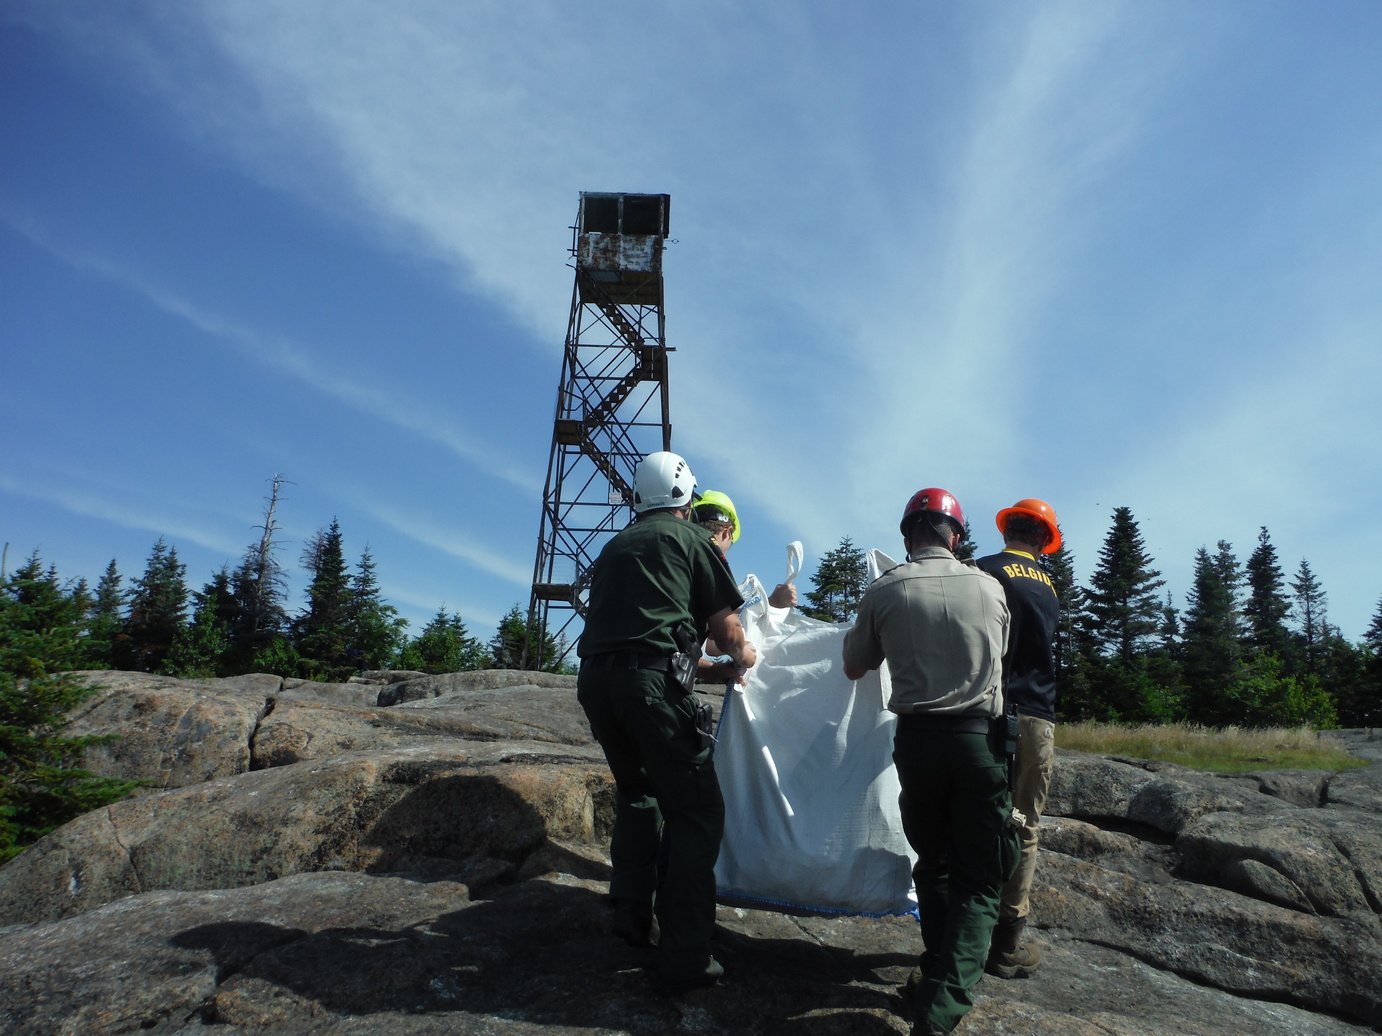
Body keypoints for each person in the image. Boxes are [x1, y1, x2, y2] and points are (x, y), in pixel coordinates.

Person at [577, 451, 758, 995]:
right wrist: (744, 656)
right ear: (686, 497)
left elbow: (640, 635)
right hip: (649, 691)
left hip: (596, 684)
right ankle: (685, 957)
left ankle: (630, 915)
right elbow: (726, 631)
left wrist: (711, 673)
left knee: (638, 792)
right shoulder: (692, 542)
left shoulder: (616, 546)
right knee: (697, 811)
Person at [841, 488, 1013, 1036]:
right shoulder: (991, 588)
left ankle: (936, 972)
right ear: (955, 534)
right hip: (978, 742)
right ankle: (939, 1012)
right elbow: (1000, 656)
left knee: (934, 864)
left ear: (907, 533)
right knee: (982, 881)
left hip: (916, 744)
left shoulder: (886, 588)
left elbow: (854, 665)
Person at [976, 498, 1062, 979]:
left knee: (974, 816)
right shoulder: (1051, 585)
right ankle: (1006, 943)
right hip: (1035, 718)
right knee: (1023, 823)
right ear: (1044, 540)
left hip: (984, 712)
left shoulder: (983, 570)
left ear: (1007, 528)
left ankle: (960, 931)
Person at [690, 490, 796, 684]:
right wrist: (743, 654)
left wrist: (716, 670)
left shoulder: (671, 557)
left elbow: (708, 643)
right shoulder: (707, 558)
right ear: (726, 531)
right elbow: (727, 634)